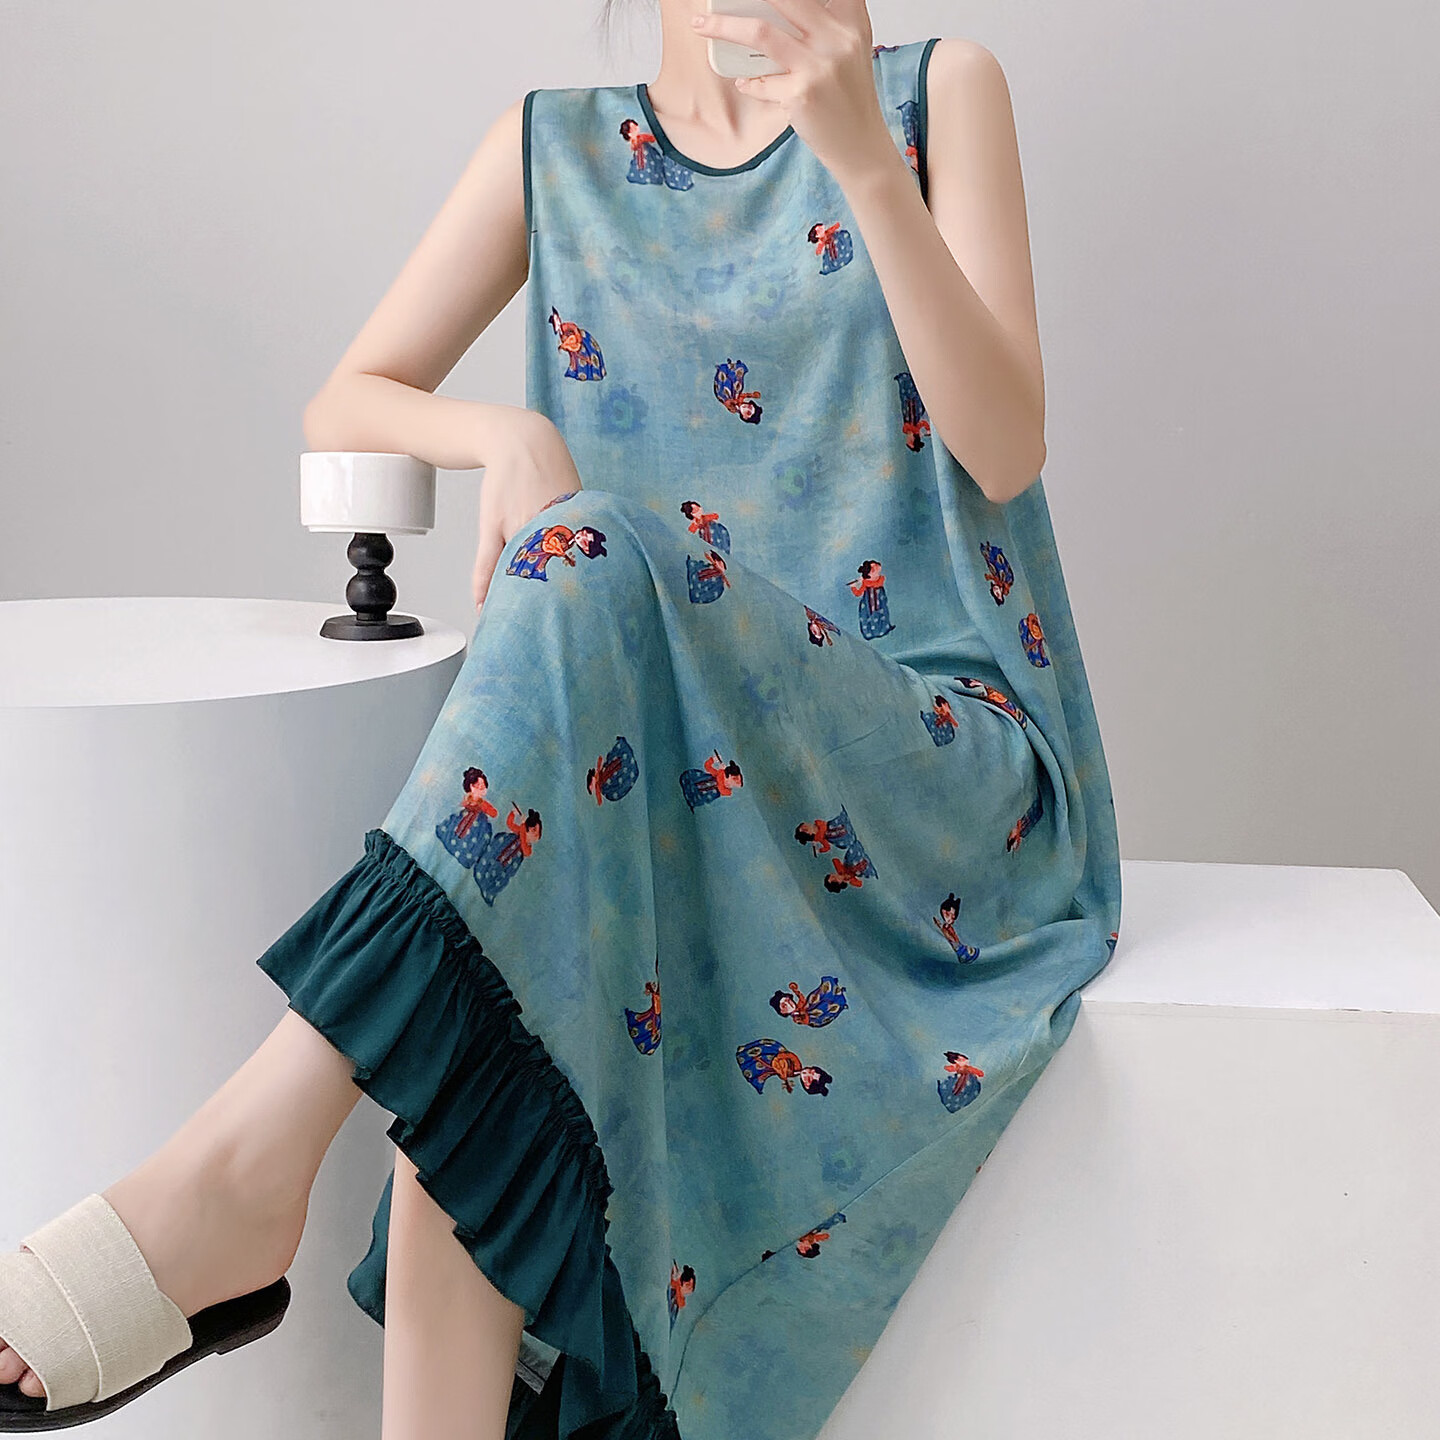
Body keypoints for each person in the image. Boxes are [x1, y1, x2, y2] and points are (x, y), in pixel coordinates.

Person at [0, 2, 1123, 1437]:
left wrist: (861, 165)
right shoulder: (554, 150)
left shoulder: (936, 95)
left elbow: (1007, 446)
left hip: (931, 794)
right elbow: (345, 399)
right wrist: (505, 432)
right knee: (499, 989)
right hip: (675, 785)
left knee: (582, 562)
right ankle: (249, 1195)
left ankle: (241, 1166)